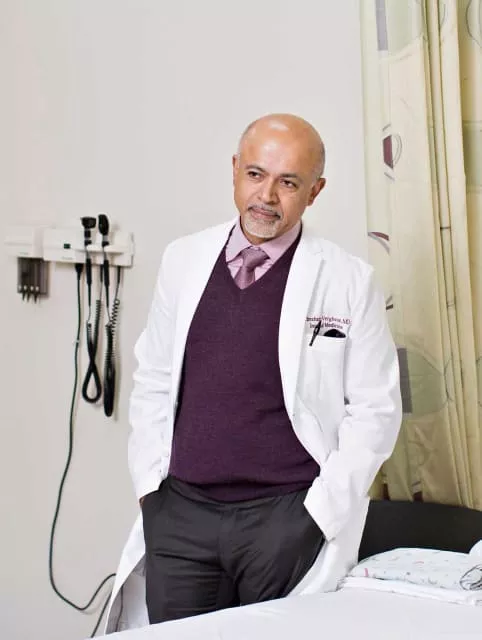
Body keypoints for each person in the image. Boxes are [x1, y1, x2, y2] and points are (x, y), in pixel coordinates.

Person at [104, 114, 402, 632]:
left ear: (315, 191)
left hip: (283, 518)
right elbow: (153, 376)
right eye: (256, 174)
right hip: (182, 516)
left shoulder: (349, 281)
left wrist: (318, 515)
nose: (266, 196)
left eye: (289, 182)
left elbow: (376, 410)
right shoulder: (183, 260)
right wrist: (151, 490)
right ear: (235, 170)